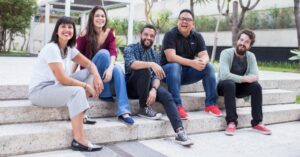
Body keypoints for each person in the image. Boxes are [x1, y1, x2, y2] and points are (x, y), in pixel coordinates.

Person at [28, 16, 102, 151]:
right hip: (40, 91)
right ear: (56, 31)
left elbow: (89, 64)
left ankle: (79, 113)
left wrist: (97, 76)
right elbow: (62, 79)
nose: (67, 30)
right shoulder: (52, 48)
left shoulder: (69, 48)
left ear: (73, 31)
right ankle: (79, 140)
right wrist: (85, 86)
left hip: (56, 87)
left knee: (89, 72)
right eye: (63, 27)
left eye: (70, 27)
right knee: (78, 90)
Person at [124, 24, 193, 146]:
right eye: (146, 34)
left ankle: (179, 132)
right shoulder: (130, 48)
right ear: (140, 35)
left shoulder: (156, 54)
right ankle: (143, 107)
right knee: (145, 70)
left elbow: (157, 76)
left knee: (167, 96)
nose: (148, 38)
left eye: (151, 36)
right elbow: (132, 64)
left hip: (149, 86)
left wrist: (154, 89)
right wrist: (150, 64)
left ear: (154, 38)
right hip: (132, 86)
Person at [76, 6, 134, 125]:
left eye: (102, 16)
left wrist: (110, 68)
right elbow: (76, 56)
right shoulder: (84, 34)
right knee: (103, 54)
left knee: (117, 68)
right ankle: (105, 92)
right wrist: (69, 75)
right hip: (90, 72)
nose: (100, 18)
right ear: (92, 17)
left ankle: (123, 111)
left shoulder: (109, 33)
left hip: (104, 74)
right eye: (97, 15)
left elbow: (113, 52)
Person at [161, 9, 222, 119]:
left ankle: (210, 104)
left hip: (186, 74)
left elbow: (204, 55)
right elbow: (171, 57)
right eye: (182, 19)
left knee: (208, 67)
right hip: (168, 73)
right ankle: (177, 106)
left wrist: (202, 62)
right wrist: (192, 63)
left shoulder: (197, 36)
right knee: (175, 65)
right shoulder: (170, 35)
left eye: (188, 19)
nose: (184, 21)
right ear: (177, 21)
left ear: (193, 24)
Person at [218, 29, 271, 136]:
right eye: (241, 40)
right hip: (224, 86)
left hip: (239, 88)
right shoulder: (226, 53)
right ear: (237, 40)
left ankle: (257, 122)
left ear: (250, 45)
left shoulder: (251, 56)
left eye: (246, 42)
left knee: (256, 86)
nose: (242, 43)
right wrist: (244, 79)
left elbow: (255, 76)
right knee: (229, 83)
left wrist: (247, 79)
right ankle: (232, 122)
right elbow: (224, 75)